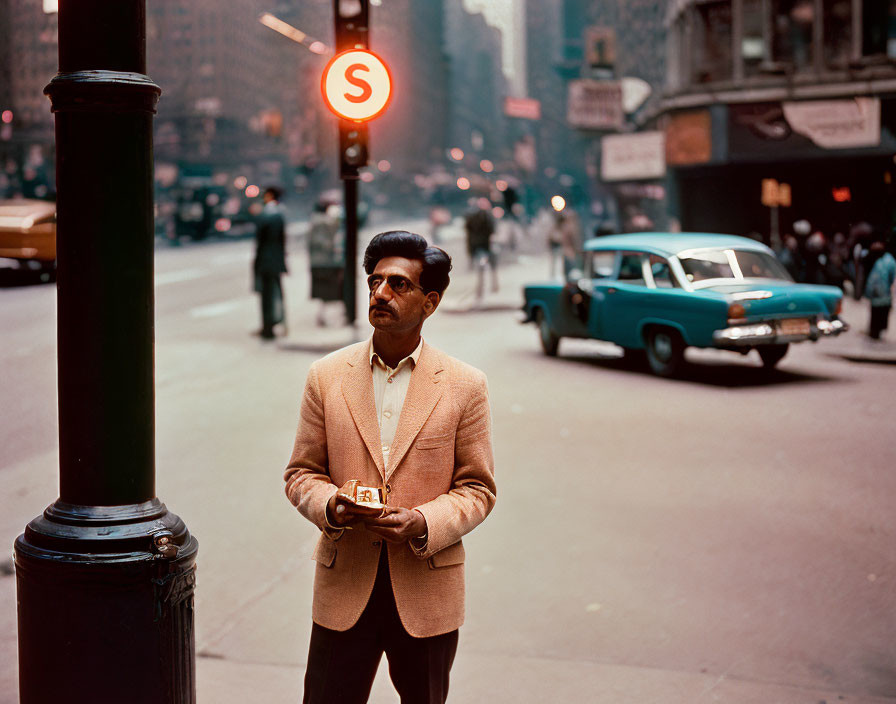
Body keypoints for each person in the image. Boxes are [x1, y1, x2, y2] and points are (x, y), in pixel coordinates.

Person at [284, 230, 497, 704]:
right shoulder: (326, 376)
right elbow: (301, 474)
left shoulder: (465, 385)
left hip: (426, 590)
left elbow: (478, 488)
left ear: (431, 302)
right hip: (345, 587)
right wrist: (332, 507)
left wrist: (423, 521)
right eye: (375, 281)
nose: (380, 293)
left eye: (399, 285)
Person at [252, 186, 287, 339]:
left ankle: (268, 328)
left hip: (266, 261)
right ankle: (279, 324)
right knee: (276, 293)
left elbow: (260, 241)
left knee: (267, 296)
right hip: (276, 260)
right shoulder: (280, 213)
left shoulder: (267, 214)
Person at [306, 200, 343, 326]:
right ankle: (326, 316)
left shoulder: (315, 221)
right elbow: (326, 241)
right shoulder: (322, 222)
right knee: (332, 290)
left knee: (326, 293)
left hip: (318, 263)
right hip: (325, 263)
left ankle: (323, 316)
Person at [464, 198, 498, 301]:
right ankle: (490, 287)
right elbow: (492, 230)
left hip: (477, 247)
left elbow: (468, 233)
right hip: (485, 246)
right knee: (490, 267)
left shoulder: (470, 217)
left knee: (481, 268)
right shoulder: (487, 216)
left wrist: (470, 252)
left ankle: (481, 290)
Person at [864, 240, 896, 340]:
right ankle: (874, 331)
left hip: (883, 292)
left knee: (879, 313)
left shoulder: (888, 260)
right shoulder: (877, 259)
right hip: (878, 292)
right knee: (877, 313)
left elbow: (891, 276)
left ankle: (876, 331)